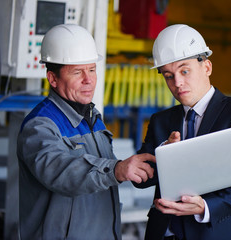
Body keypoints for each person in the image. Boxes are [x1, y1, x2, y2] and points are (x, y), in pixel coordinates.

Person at [17, 24, 155, 240]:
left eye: (91, 70)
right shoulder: (40, 126)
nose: (88, 79)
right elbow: (61, 171)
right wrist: (116, 170)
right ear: (53, 78)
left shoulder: (92, 118)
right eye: (77, 72)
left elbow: (103, 174)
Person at [133, 24, 231, 240]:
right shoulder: (161, 121)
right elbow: (142, 180)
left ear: (207, 67)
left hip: (218, 232)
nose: (177, 83)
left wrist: (205, 207)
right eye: (168, 75)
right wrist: (164, 156)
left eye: (185, 71)